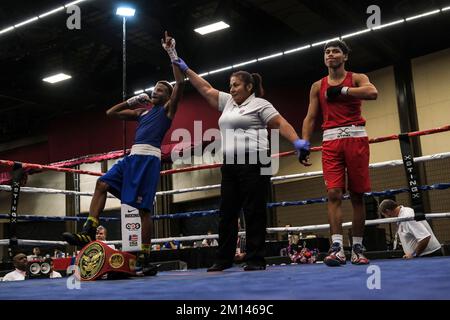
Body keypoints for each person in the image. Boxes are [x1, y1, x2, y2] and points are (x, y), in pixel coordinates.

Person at [168, 39, 305, 272]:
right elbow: (206, 88)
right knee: (227, 213)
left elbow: (280, 123)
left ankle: (255, 259)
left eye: (235, 85)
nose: (231, 88)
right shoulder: (228, 103)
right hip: (230, 165)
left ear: (249, 87)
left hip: (256, 161)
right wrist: (184, 67)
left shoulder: (260, 104)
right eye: (230, 85)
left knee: (254, 212)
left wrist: (297, 141)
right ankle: (223, 259)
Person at [63, 32, 185, 276]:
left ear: (167, 97)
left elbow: (180, 83)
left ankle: (145, 256)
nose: (156, 91)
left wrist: (171, 53)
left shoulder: (167, 112)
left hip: (148, 160)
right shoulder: (142, 113)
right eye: (155, 88)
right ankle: (89, 228)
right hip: (131, 158)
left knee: (143, 211)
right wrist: (131, 101)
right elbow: (111, 113)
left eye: (161, 89)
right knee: (101, 183)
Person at [298, 39, 378, 266]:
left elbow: (373, 92)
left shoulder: (357, 77)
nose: (330, 54)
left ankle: (358, 248)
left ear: (345, 57)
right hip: (331, 141)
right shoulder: (317, 86)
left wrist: (342, 90)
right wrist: (304, 142)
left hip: (356, 138)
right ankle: (337, 248)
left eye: (335, 51)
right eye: (327, 52)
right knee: (333, 193)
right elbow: (311, 117)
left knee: (357, 195)